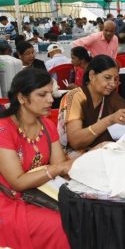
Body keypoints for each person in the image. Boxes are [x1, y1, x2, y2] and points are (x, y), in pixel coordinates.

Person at [0, 68, 72, 248]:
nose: (50, 99)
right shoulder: (3, 129)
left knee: (81, 214)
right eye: (42, 94)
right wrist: (58, 168)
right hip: (8, 199)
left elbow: (60, 167)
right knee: (61, 224)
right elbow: (17, 182)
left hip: (37, 192)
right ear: (22, 98)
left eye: (51, 93)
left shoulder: (46, 125)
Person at [59, 55, 125, 157]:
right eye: (107, 78)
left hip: (103, 152)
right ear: (92, 75)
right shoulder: (76, 96)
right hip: (76, 158)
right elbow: (76, 141)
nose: (113, 84)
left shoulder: (109, 95)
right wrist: (109, 120)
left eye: (115, 79)